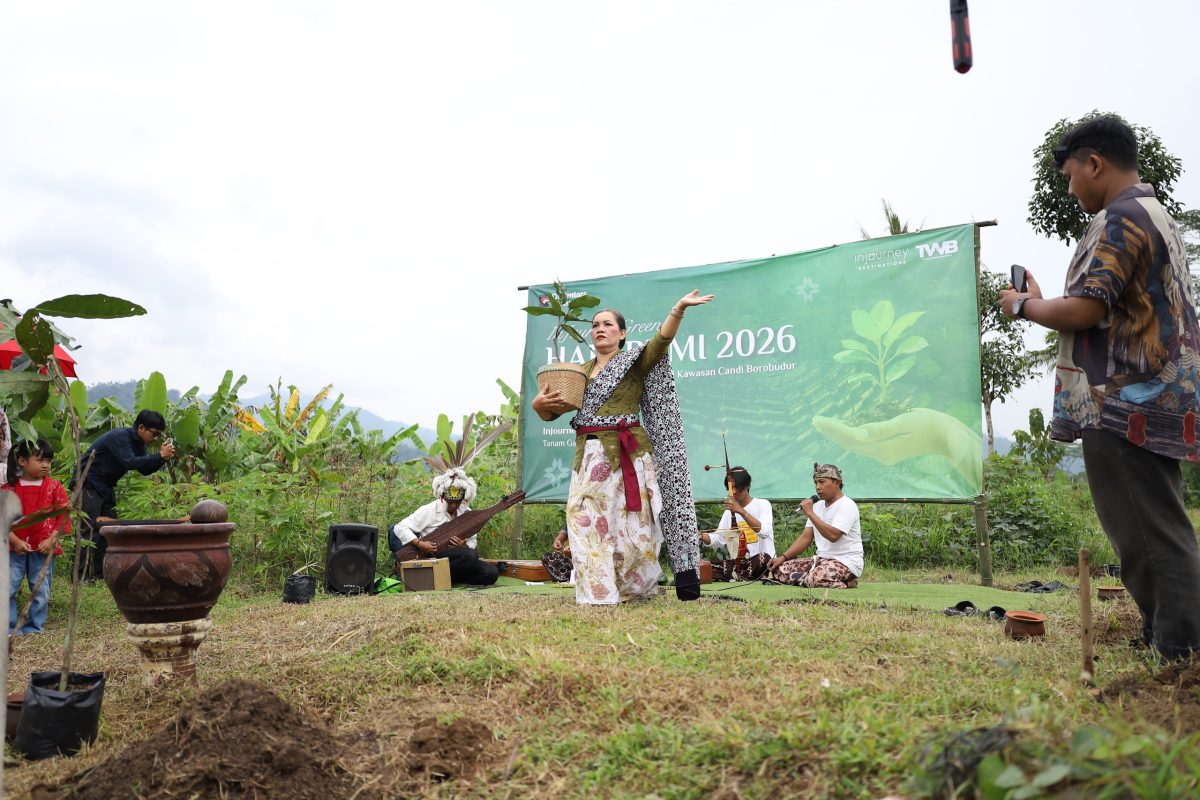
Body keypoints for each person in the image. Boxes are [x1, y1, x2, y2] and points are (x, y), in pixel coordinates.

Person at [999, 114, 1200, 661]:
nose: (1069, 187)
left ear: (1094, 163)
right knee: (1154, 521)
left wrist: (1023, 306)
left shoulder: (1121, 218)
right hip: (1154, 396)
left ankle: (1180, 647)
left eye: (1070, 175)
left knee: (1144, 531)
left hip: (1124, 401)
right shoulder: (1153, 213)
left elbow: (1087, 308)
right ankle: (1166, 631)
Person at [531, 290, 713, 604]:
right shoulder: (579, 372)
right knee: (583, 521)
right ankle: (597, 592)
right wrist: (538, 405)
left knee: (629, 526)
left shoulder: (634, 361)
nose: (599, 328)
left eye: (607, 324)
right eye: (595, 324)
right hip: (587, 457)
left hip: (627, 454)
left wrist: (678, 308)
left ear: (622, 332)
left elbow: (661, 342)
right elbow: (551, 411)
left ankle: (632, 589)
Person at [73, 410, 176, 579]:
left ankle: (100, 576)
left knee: (108, 532)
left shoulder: (139, 443)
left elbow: (143, 469)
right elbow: (130, 462)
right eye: (154, 433)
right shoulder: (120, 437)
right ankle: (78, 578)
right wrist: (159, 455)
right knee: (88, 531)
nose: (156, 438)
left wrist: (162, 459)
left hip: (105, 486)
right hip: (88, 483)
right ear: (141, 428)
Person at [4, 439, 72, 634]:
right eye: (40, 460)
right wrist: (15, 540)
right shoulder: (8, 489)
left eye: (49, 461)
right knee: (8, 587)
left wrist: (52, 539)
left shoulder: (55, 487)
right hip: (12, 548)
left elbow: (63, 515)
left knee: (40, 589)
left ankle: (34, 626)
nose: (46, 465)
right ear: (22, 461)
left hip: (43, 548)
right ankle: (9, 626)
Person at [388, 467, 499, 586]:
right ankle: (434, 576)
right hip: (433, 557)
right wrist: (420, 544)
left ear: (463, 500)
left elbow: (472, 543)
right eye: (450, 502)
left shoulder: (466, 513)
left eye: (457, 502)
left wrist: (463, 545)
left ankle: (444, 578)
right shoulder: (430, 510)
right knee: (470, 555)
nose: (453, 505)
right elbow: (400, 527)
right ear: (442, 497)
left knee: (491, 573)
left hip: (457, 560)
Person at [769, 463, 862, 589]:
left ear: (837, 482)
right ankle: (808, 578)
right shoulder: (817, 506)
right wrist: (783, 557)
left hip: (845, 562)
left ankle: (848, 582)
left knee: (814, 579)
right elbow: (806, 537)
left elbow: (833, 536)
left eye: (822, 482)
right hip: (820, 560)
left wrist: (810, 513)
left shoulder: (847, 505)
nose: (818, 487)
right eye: (816, 483)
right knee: (780, 570)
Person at [700, 466, 775, 581]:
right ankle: (737, 574)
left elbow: (764, 532)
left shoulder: (763, 504)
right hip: (740, 564)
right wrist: (701, 536)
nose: (734, 491)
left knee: (763, 559)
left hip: (761, 562)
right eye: (731, 488)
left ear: (748, 485)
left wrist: (740, 510)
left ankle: (734, 575)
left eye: (737, 487)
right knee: (708, 566)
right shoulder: (728, 513)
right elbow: (719, 539)